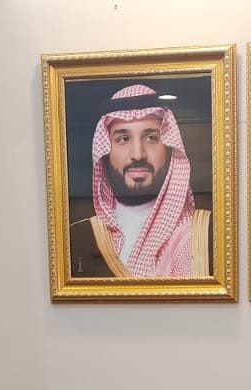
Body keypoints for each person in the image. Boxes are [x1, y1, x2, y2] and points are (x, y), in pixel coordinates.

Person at [68, 83, 212, 278]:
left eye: (151, 138)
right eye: (123, 139)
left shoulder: (204, 233)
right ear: (105, 152)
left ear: (170, 149)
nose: (138, 154)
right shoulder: (80, 236)